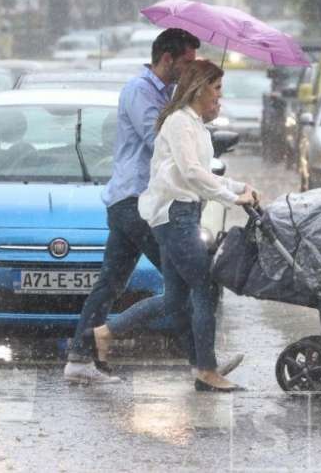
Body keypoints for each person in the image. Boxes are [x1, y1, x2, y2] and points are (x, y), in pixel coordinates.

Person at [89, 59, 258, 392]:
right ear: (199, 88)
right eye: (217, 88)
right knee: (205, 288)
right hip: (175, 215)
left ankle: (107, 331)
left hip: (183, 213)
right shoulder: (179, 123)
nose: (220, 97)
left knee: (174, 299)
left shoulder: (194, 124)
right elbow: (190, 173)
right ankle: (207, 370)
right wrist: (230, 198)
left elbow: (202, 171)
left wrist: (239, 187)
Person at [64, 28, 204, 383]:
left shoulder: (171, 93)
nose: (189, 70)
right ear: (167, 59)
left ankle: (80, 358)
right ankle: (202, 361)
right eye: (186, 63)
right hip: (137, 202)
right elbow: (158, 139)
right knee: (186, 278)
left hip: (136, 202)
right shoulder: (140, 90)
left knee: (110, 283)